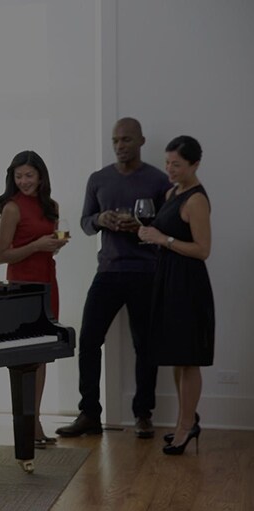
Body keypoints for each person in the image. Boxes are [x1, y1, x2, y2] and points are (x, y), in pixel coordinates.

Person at [56, 117, 171, 439]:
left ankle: (143, 415)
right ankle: (89, 414)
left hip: (146, 272)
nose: (120, 146)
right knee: (88, 341)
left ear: (141, 141)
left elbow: (168, 225)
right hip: (108, 271)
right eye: (115, 140)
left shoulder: (158, 180)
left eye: (126, 140)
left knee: (146, 346)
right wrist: (100, 218)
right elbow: (85, 222)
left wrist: (141, 227)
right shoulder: (98, 179)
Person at [138, 135, 213, 455]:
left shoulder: (196, 200)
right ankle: (186, 421)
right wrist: (148, 233)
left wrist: (162, 239)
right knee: (176, 355)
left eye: (177, 164)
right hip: (168, 280)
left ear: (195, 165)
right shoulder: (172, 193)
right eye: (167, 162)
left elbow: (203, 250)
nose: (169, 169)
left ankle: (186, 426)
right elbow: (162, 233)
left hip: (189, 285)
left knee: (189, 359)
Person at [0, 150, 68, 447]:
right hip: (22, 288)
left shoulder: (51, 206)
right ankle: (28, 425)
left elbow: (50, 245)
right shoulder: (12, 208)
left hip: (48, 283)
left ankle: (35, 420)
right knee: (26, 358)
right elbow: (2, 255)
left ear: (40, 177)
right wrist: (37, 245)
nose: (24, 181)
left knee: (42, 356)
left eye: (29, 175)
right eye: (18, 176)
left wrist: (56, 243)